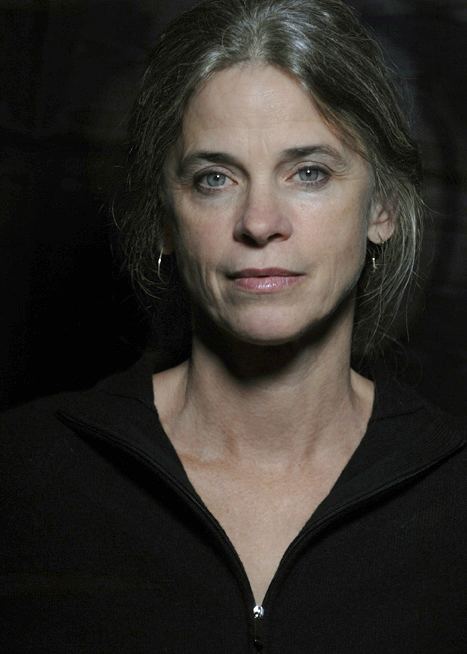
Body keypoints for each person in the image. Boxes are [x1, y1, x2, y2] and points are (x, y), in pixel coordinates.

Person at [1, 0, 466, 652]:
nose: (258, 221)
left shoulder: (453, 497)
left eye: (308, 172)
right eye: (214, 178)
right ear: (165, 218)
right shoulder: (26, 476)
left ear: (381, 208)